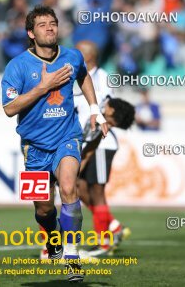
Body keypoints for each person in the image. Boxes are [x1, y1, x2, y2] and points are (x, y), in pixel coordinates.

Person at [1, 5, 108, 283]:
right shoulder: (17, 66)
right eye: (42, 25)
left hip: (67, 137)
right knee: (44, 209)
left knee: (70, 187)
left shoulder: (72, 56)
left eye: (53, 23)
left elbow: (83, 75)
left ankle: (72, 256)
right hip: (34, 146)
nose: (50, 28)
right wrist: (42, 87)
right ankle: (53, 239)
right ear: (31, 33)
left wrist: (94, 108)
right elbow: (10, 109)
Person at [73, 41, 133, 257]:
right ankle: (113, 226)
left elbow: (104, 106)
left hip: (101, 140)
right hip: (87, 140)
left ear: (88, 56)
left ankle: (104, 240)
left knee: (96, 190)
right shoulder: (73, 74)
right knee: (78, 188)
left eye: (77, 51)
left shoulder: (102, 76)